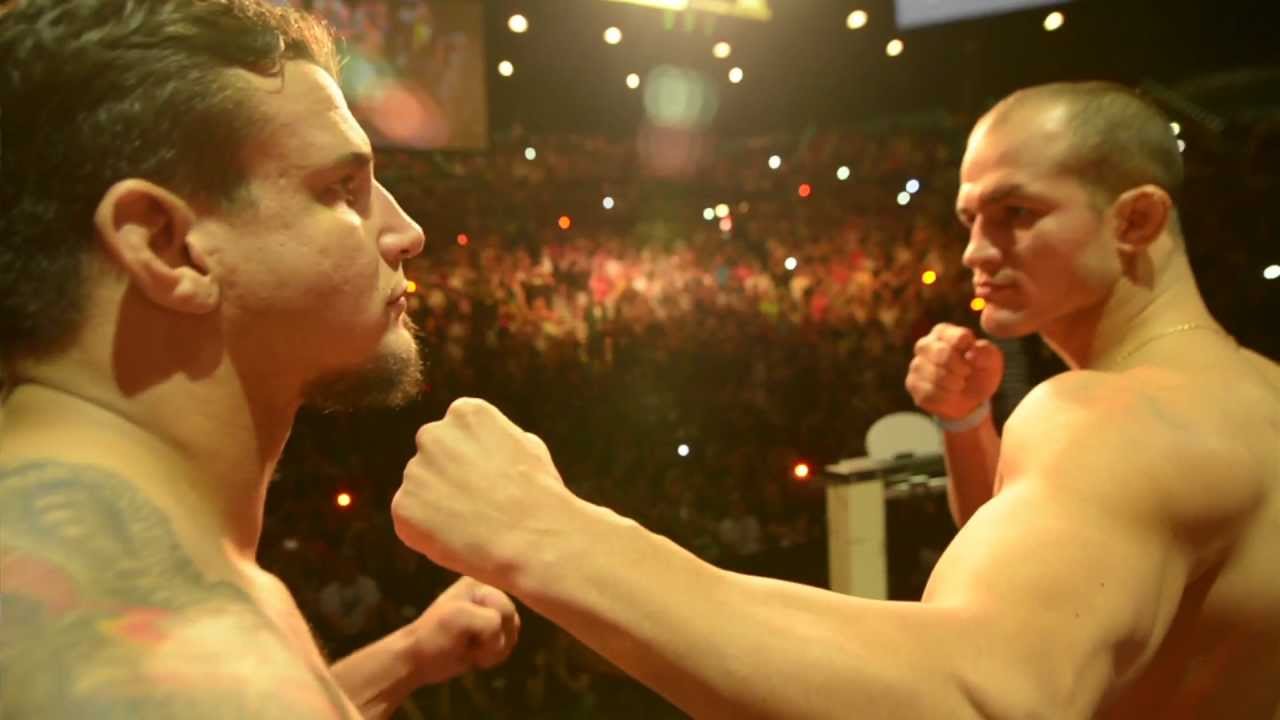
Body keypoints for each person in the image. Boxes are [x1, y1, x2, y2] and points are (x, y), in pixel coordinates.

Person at [389, 82, 1280, 718]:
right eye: (970, 216)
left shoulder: (1103, 414)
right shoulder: (1245, 395)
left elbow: (982, 694)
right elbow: (1089, 601)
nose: (976, 249)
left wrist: (545, 533)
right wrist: (971, 429)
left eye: (1016, 212)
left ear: (1135, 221)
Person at [0, 1, 518, 717]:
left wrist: (406, 659)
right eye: (341, 189)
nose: (407, 232)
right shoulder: (192, 661)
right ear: (166, 246)